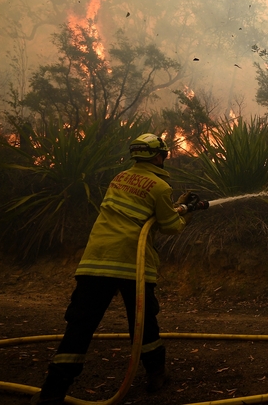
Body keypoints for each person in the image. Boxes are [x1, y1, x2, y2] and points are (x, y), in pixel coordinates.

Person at [31, 133, 194, 405]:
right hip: (133, 263)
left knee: (79, 327)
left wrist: (175, 207)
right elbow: (169, 226)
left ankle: (52, 392)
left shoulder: (118, 179)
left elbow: (136, 211)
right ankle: (156, 374)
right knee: (142, 323)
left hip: (95, 260)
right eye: (163, 155)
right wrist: (186, 212)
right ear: (158, 156)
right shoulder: (159, 187)